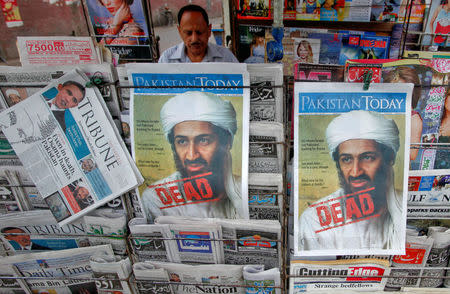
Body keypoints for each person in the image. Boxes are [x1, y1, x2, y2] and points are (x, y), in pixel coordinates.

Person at [298, 110, 403, 251]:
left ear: (389, 157)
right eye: (346, 159)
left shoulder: (403, 205)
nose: (355, 172)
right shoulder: (315, 218)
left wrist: (396, 207)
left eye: (367, 157)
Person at [141, 91, 243, 220]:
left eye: (203, 140)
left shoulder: (244, 190)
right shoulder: (156, 198)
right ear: (174, 145)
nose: (191, 156)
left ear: (227, 141)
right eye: (182, 142)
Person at [158, 4, 238, 63]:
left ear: (209, 30)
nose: (194, 39)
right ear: (179, 31)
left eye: (199, 32)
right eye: (188, 33)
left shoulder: (226, 58)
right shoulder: (167, 59)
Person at [383, 66, 422, 161]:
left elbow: (412, 155)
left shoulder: (413, 119)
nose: (396, 96)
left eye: (402, 92)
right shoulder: (383, 111)